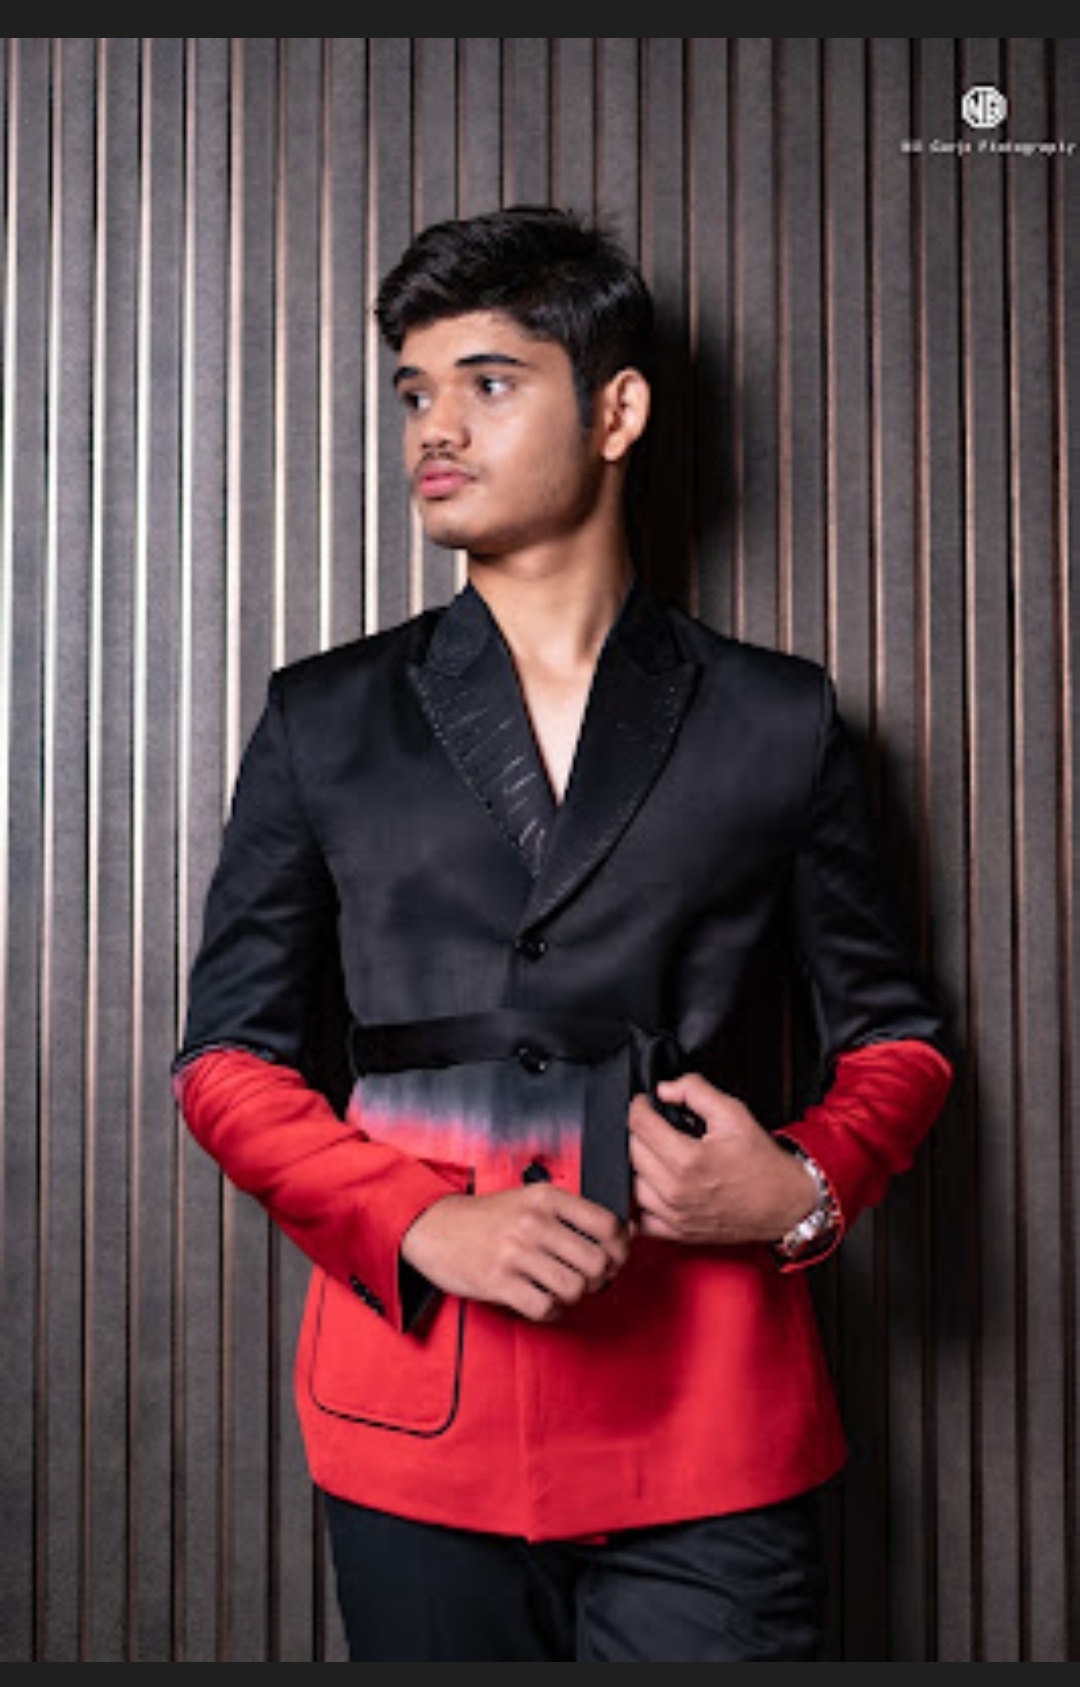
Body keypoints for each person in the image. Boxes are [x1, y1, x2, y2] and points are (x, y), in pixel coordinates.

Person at [172, 204, 954, 1662]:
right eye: (414, 391)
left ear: (617, 412)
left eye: (489, 381)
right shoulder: (323, 718)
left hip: (709, 1417)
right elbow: (225, 1062)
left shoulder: (777, 718)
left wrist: (797, 1189)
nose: (435, 426)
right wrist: (417, 1223)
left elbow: (897, 1040)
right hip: (419, 1406)